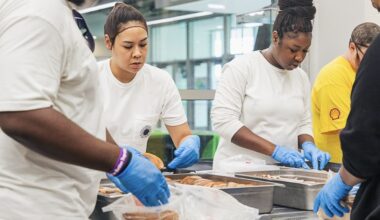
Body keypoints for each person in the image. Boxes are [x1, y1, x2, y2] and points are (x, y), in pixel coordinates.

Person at [0, 0, 169, 219]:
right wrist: (118, 161)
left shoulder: (57, 14)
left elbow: (77, 109)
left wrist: (118, 154)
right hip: (36, 204)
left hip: (56, 202)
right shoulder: (40, 12)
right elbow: (21, 115)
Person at [211, 0, 330, 171]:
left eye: (305, 51)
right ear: (275, 37)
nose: (299, 57)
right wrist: (275, 150)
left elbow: (303, 122)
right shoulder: (242, 68)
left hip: (281, 171)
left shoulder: (301, 77)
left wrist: (308, 145)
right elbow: (223, 121)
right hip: (238, 172)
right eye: (293, 49)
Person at [98, 3, 200, 170]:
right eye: (128, 46)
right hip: (91, 180)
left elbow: (181, 134)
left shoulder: (160, 81)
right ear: (109, 42)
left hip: (137, 179)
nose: (137, 53)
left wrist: (187, 143)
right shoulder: (90, 79)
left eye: (143, 44)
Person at [314, 1, 380, 219]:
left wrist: (346, 178)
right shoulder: (334, 75)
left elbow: (363, 132)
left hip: (356, 167)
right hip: (342, 164)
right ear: (352, 47)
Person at [311, 23, 380, 168]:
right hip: (338, 165)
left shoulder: (367, 72)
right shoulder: (333, 76)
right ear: (352, 48)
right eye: (368, 56)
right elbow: (349, 130)